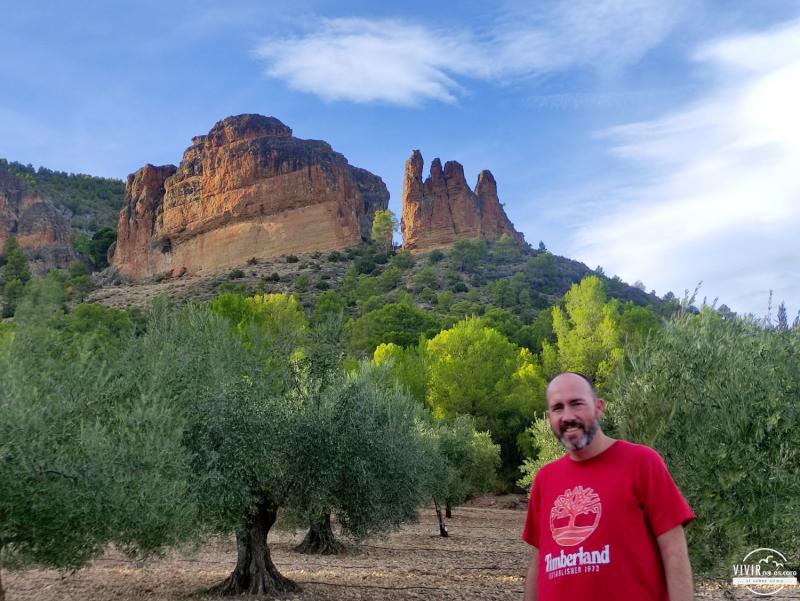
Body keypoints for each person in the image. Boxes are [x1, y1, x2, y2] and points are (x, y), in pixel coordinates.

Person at [522, 372, 695, 601]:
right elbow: (540, 561)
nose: (567, 416)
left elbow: (674, 550)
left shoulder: (642, 462)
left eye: (577, 403)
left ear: (599, 408)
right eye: (557, 408)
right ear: (549, 417)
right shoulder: (545, 479)